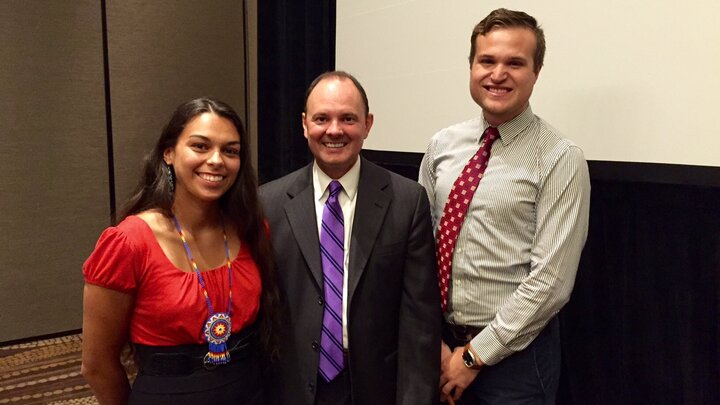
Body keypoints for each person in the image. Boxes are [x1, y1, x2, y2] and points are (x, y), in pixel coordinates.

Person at [418, 9, 591, 404]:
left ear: (536, 72)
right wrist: (436, 344)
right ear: (471, 67)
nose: (498, 74)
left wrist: (475, 357)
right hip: (437, 349)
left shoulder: (559, 157)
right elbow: (418, 250)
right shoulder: (442, 146)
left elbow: (551, 283)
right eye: (487, 61)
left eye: (515, 62)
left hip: (515, 364)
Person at [81, 97, 281, 404]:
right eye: (200, 146)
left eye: (230, 150)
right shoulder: (129, 242)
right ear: (169, 153)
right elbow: (96, 365)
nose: (216, 160)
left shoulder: (251, 229)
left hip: (249, 390)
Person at [260, 71, 441, 405]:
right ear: (304, 124)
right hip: (292, 388)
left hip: (374, 388)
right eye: (321, 118)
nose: (334, 130)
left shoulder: (406, 201)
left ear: (368, 124)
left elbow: (420, 325)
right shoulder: (268, 204)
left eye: (348, 118)